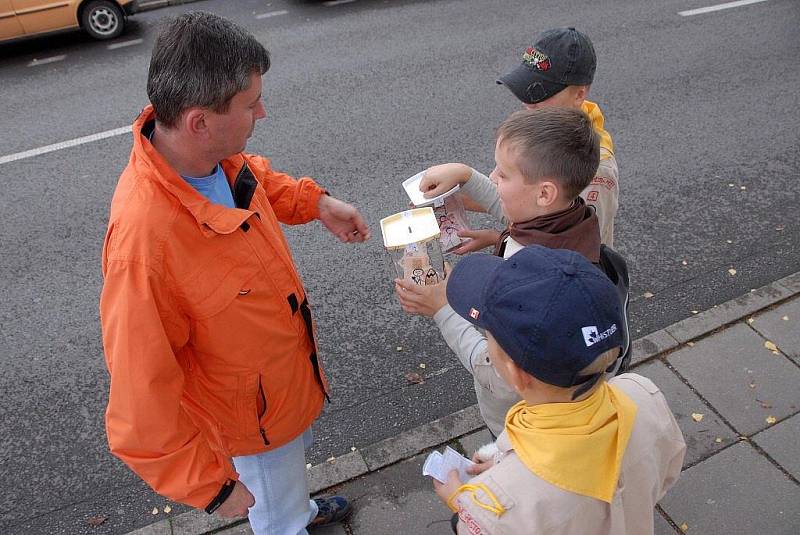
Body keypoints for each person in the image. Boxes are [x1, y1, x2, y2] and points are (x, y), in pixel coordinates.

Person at [99, 12, 369, 534]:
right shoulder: (144, 244)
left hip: (281, 389)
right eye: (250, 104)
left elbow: (255, 180)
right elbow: (139, 401)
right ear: (200, 120)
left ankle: (301, 510)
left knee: (290, 480)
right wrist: (212, 487)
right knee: (275, 515)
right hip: (251, 425)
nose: (262, 113)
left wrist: (315, 203)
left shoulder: (211, 158)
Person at [433, 245, 686, 534]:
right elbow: (666, 473)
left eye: (487, 335)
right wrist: (509, 465)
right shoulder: (643, 394)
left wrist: (463, 507)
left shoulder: (494, 508)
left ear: (515, 373)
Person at [396, 107, 603, 436]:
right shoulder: (572, 219)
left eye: (503, 175)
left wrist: (442, 309)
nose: (492, 177)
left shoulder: (536, 285)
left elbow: (499, 375)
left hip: (520, 425)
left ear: (545, 192)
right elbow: (521, 208)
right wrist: (464, 174)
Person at [430, 27, 619, 254]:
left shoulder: (596, 174)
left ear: (579, 94)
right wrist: (463, 187)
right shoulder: (545, 128)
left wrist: (502, 239)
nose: (528, 103)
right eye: (525, 88)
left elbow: (576, 255)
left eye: (541, 92)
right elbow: (533, 206)